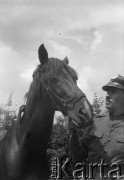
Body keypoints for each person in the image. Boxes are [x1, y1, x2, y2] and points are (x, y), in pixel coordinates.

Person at [69, 74, 124, 180]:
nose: (108, 95)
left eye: (113, 92)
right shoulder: (95, 122)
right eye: (108, 92)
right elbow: (78, 159)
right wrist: (73, 132)